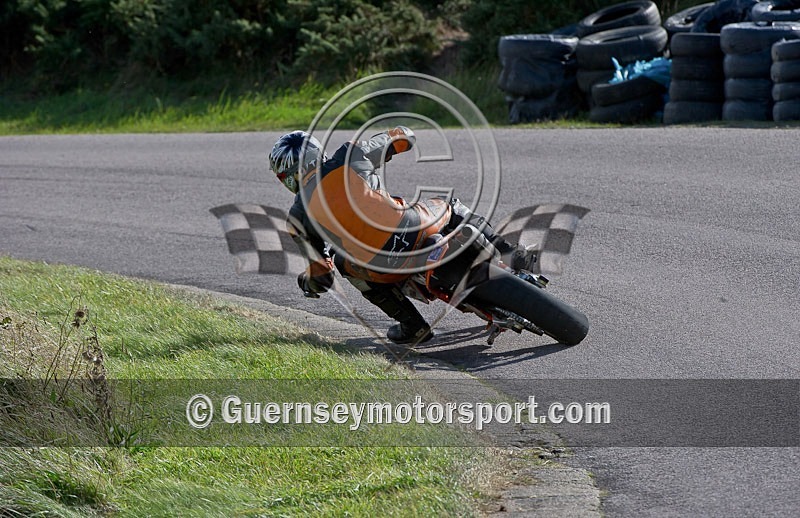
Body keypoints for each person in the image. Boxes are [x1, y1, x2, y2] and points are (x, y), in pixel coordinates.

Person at [268, 128, 537, 344]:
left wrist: (307, 284)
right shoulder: (349, 154)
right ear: (318, 152)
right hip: (415, 228)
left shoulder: (297, 218)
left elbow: (321, 276)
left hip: (379, 267)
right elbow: (401, 138)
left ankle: (413, 326)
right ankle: (512, 254)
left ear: (287, 178)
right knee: (452, 206)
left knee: (342, 263)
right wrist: (400, 137)